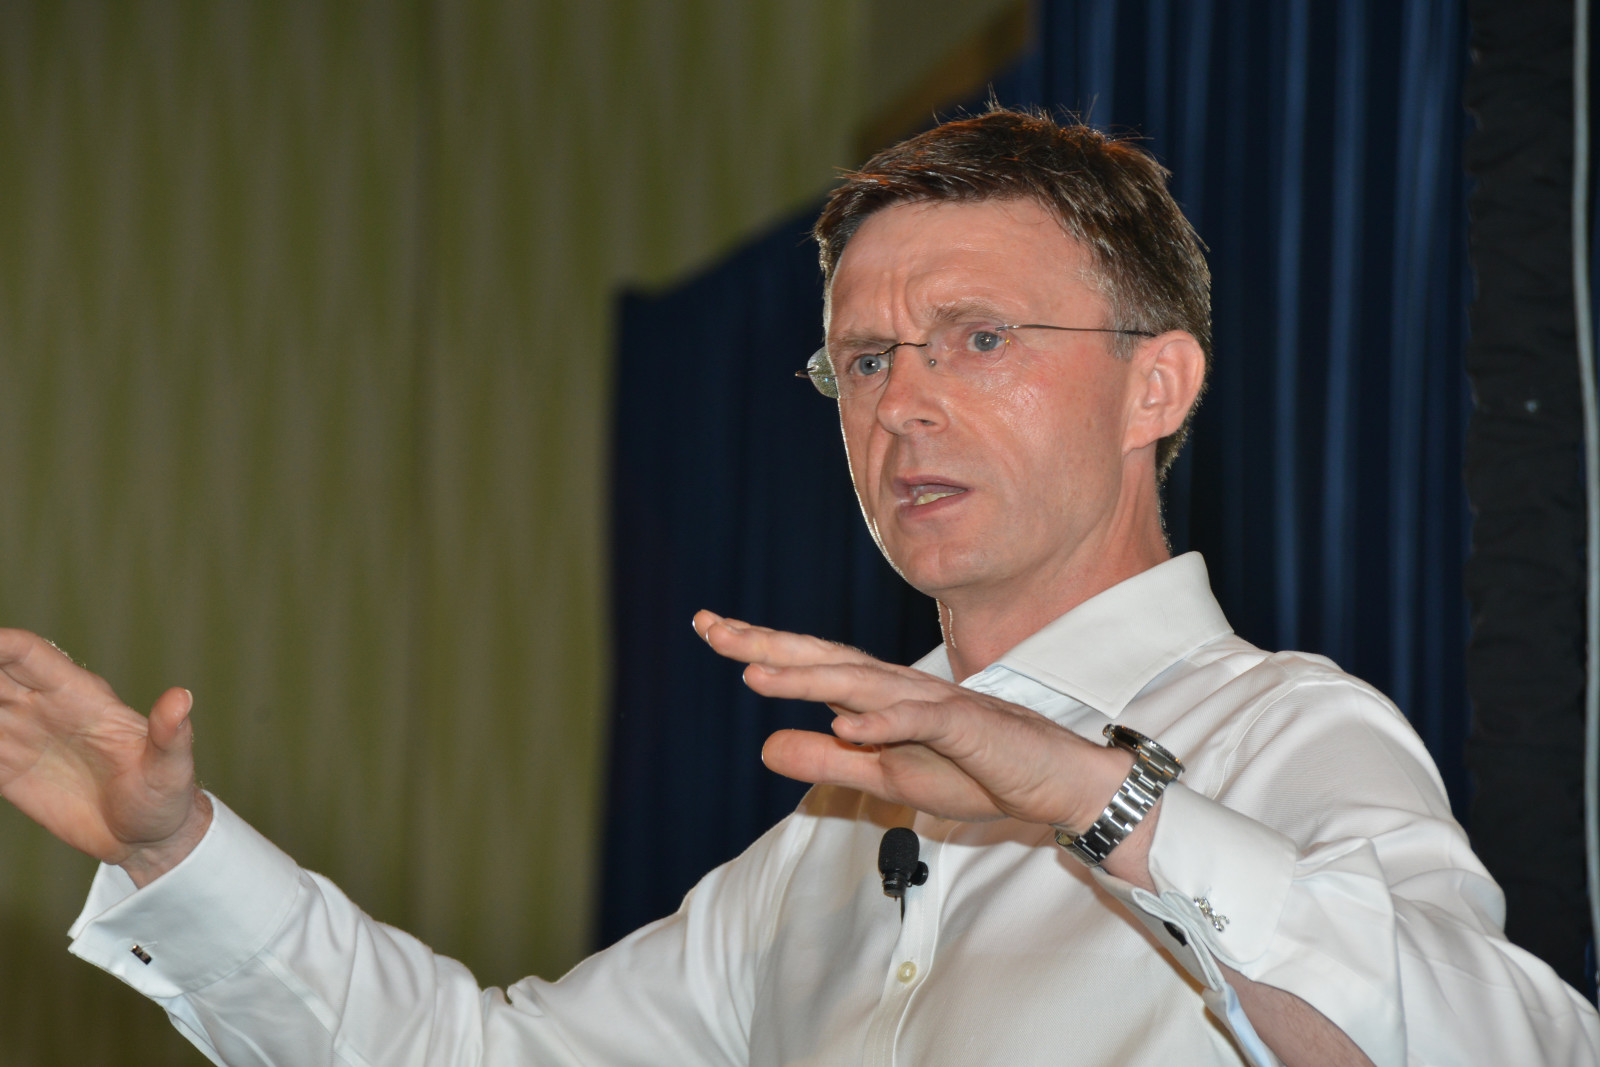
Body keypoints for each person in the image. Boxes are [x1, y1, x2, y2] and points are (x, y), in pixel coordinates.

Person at [1, 106, 1596, 1066]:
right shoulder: (822, 850)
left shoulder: (1287, 734)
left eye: (979, 338)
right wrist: (176, 854)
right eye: (866, 359)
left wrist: (1090, 797)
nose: (906, 405)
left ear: (1155, 384)